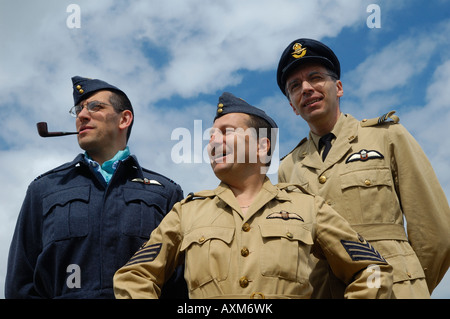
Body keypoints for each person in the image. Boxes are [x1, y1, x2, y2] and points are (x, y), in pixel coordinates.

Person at [113, 92, 393, 299]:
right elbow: (134, 276)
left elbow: (372, 270)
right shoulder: (187, 212)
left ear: (261, 146)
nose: (213, 142)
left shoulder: (307, 206)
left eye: (226, 132)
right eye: (210, 136)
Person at [276, 38, 450, 298]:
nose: (307, 88)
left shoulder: (388, 136)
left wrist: (411, 284)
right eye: (295, 86)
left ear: (339, 87)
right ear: (292, 105)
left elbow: (435, 232)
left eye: (315, 78)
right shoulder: (287, 167)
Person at [6, 76, 187, 298]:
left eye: (95, 107)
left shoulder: (166, 193)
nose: (82, 115)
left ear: (124, 119)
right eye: (79, 110)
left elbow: (179, 284)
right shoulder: (44, 189)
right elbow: (21, 285)